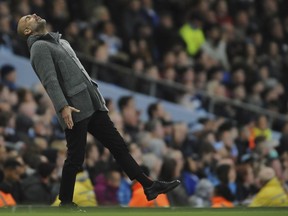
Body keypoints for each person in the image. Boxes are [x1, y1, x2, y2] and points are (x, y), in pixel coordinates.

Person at [16, 14, 180, 209]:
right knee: (75, 157)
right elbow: (50, 80)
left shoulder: (56, 41)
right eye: (28, 18)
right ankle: (65, 202)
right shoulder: (39, 47)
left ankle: (149, 185)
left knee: (118, 146)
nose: (34, 15)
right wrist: (62, 106)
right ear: (27, 31)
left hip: (91, 102)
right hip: (74, 106)